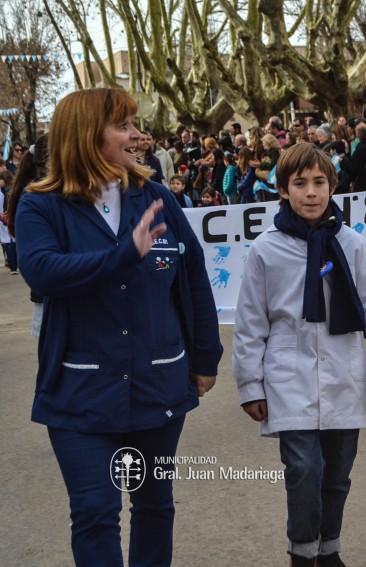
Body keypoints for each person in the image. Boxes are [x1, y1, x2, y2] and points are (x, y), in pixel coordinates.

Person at [14, 88, 222, 566]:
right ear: (87, 136)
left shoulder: (156, 198)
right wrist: (123, 254)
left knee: (154, 505)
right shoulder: (40, 205)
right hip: (79, 391)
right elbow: (43, 271)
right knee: (95, 510)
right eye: (124, 126)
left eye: (135, 124)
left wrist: (205, 356)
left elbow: (191, 277)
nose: (138, 135)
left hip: (158, 384)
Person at [232, 143, 366, 567]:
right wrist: (249, 384)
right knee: (304, 471)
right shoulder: (266, 250)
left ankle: (329, 550)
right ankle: (302, 552)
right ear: (284, 192)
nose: (311, 192)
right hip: (288, 378)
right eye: (300, 184)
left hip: (343, 375)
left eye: (319, 182)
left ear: (332, 186)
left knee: (338, 474)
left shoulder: (352, 244)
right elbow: (251, 323)